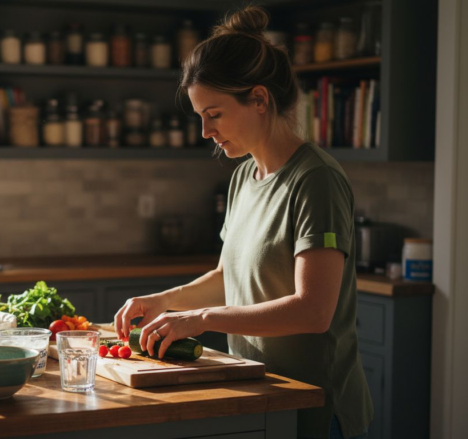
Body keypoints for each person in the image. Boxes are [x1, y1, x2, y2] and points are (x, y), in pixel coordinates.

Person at [114, 6, 373, 439]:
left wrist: (200, 318)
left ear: (258, 99)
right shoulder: (244, 177)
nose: (204, 131)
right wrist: (165, 300)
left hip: (314, 406)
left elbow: (314, 310)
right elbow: (230, 275)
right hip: (260, 395)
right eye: (200, 115)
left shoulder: (316, 179)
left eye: (213, 114)